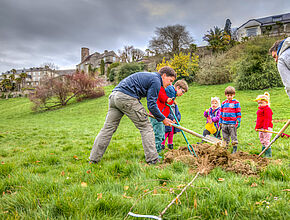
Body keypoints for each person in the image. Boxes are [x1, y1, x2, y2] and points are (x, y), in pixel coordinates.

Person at [89, 66, 176, 165]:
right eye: (170, 80)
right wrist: (163, 119)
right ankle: (153, 159)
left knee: (107, 129)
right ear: (164, 75)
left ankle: (93, 159)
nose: (170, 84)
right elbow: (152, 105)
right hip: (127, 98)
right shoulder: (156, 80)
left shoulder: (150, 76)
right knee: (146, 127)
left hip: (114, 96)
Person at [161, 80, 188, 150]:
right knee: (166, 132)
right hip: (167, 119)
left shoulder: (174, 102)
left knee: (171, 133)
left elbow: (177, 112)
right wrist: (171, 118)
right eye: (182, 92)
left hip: (173, 120)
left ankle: (170, 145)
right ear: (178, 88)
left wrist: (177, 119)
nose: (182, 94)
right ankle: (162, 145)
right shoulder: (170, 95)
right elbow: (167, 110)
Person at [219, 86, 241, 153]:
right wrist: (220, 122)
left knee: (233, 136)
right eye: (228, 95)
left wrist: (238, 121)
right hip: (224, 123)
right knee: (225, 136)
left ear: (234, 95)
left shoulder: (236, 103)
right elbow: (221, 113)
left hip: (232, 123)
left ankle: (234, 148)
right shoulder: (223, 103)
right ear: (226, 95)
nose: (229, 97)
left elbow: (238, 112)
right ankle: (226, 147)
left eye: (231, 95)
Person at [254, 92, 273, 157]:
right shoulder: (259, 110)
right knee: (261, 139)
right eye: (259, 103)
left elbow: (267, 119)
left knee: (266, 140)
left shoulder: (267, 110)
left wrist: (265, 127)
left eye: (261, 103)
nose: (260, 104)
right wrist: (257, 127)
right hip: (261, 128)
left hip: (267, 128)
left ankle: (268, 154)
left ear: (266, 102)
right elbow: (258, 120)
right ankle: (263, 150)